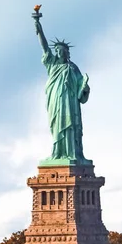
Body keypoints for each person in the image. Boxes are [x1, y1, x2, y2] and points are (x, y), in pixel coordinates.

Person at [34, 18, 91, 164]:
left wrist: (84, 88)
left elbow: (81, 88)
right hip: (55, 99)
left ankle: (72, 153)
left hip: (70, 101)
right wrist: (39, 29)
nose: (59, 52)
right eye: (57, 50)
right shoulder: (52, 64)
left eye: (62, 50)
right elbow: (44, 47)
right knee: (57, 125)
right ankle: (57, 153)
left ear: (67, 52)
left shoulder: (72, 68)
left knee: (71, 124)